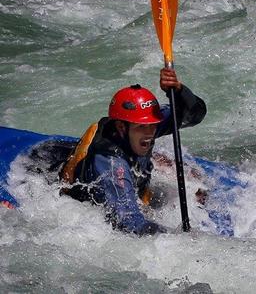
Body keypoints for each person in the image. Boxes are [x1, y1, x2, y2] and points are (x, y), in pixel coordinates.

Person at [59, 68, 206, 236]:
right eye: (142, 127)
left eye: (153, 125)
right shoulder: (111, 163)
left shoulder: (140, 127)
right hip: (89, 211)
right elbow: (129, 222)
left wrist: (179, 90)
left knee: (196, 185)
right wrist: (181, 237)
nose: (150, 132)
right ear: (121, 127)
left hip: (137, 189)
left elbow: (195, 115)